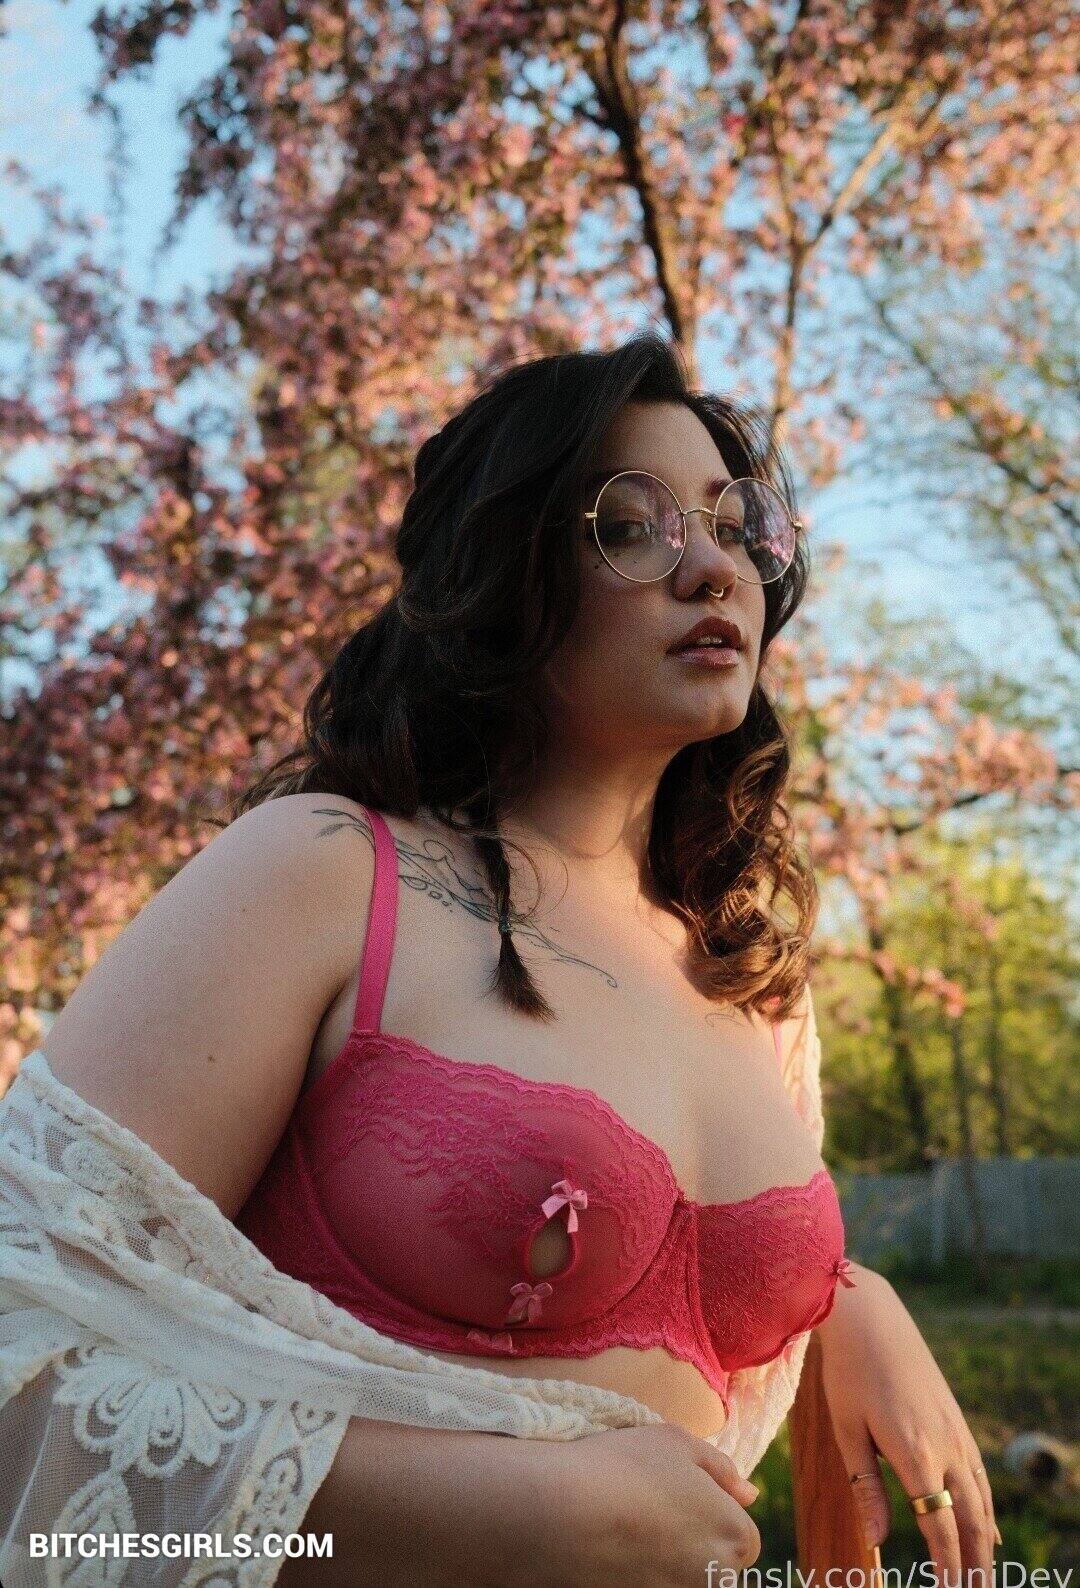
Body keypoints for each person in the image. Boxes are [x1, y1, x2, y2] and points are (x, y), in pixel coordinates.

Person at [14, 333, 998, 1585]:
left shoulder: (749, 974)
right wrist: (499, 1507)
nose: (713, 568)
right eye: (631, 527)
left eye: (735, 524)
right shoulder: (327, 872)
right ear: (503, 569)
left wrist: (843, 1299)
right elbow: (24, 1354)